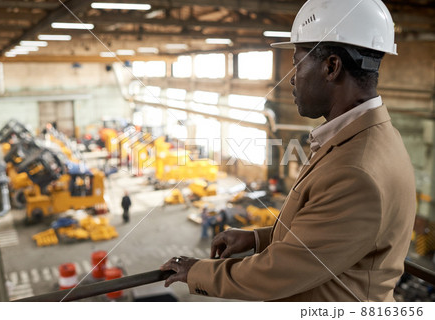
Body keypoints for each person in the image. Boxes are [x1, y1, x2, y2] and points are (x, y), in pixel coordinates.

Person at [160, 0, 416, 302]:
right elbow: (325, 238)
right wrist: (257, 238)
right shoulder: (372, 137)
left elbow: (275, 274)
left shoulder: (355, 171)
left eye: (297, 63)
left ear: (331, 67)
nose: (292, 77)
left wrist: (196, 272)